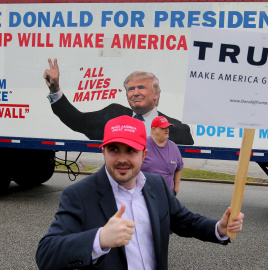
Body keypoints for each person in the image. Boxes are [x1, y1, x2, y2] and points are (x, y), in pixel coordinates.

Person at [36, 115, 244, 270]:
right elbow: (46, 254)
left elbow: (184, 220)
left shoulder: (156, 185)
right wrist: (99, 239)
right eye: (114, 149)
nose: (122, 159)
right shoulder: (79, 195)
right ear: (103, 152)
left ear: (144, 154)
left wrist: (218, 227)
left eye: (131, 150)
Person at [44, 58, 194, 145]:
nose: (135, 93)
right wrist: (55, 89)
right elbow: (77, 121)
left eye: (141, 88)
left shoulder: (177, 128)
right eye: (130, 89)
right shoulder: (113, 115)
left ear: (156, 94)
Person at [141, 116, 183, 195]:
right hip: (147, 195)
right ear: (154, 130)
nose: (167, 130)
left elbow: (179, 168)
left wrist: (176, 189)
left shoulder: (173, 147)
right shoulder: (143, 145)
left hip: (167, 196)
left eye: (168, 127)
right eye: (163, 128)